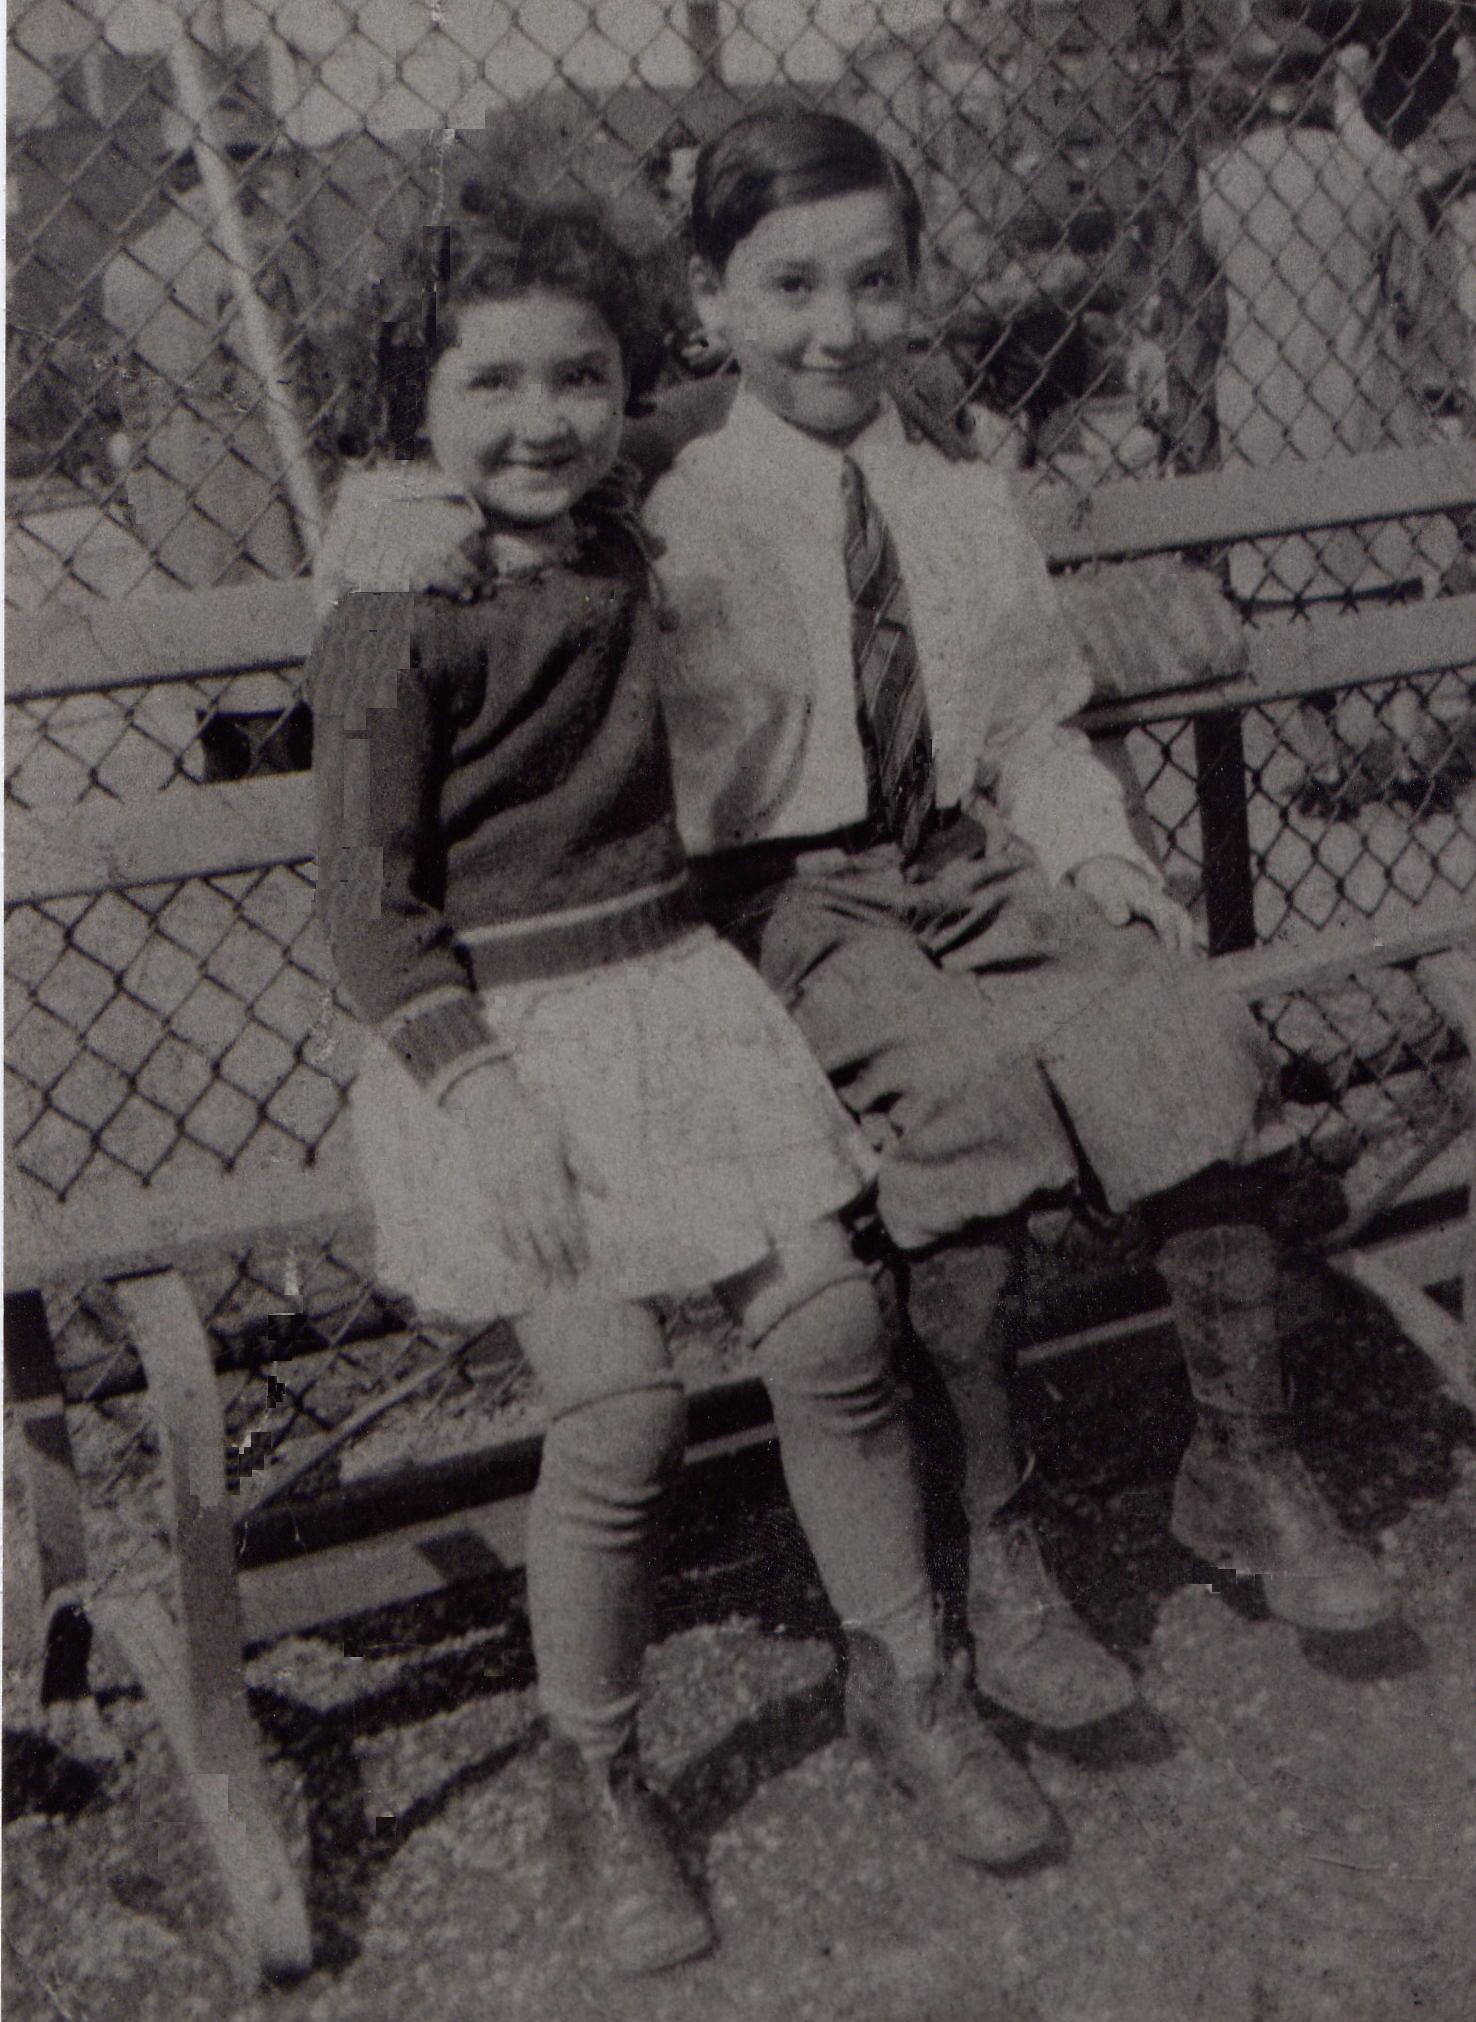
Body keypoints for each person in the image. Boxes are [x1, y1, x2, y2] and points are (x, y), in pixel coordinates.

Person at [319, 110, 1398, 1741]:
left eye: (876, 281)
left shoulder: (955, 479)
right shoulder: (655, 473)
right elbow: (468, 496)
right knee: (961, 1095)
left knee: (1182, 1027)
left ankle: (1243, 1464)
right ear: (710, 299)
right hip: (782, 893)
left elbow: (1033, 714)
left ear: (914, 285)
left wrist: (1100, 862)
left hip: (963, 858)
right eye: (790, 286)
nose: (837, 326)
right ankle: (1000, 1543)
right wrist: (384, 517)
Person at [310, 180, 1055, 1978]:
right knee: (621, 1404)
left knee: (828, 1331)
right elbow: (366, 917)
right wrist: (480, 1094)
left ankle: (909, 1676)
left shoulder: (625, 521)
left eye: (579, 380)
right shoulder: (393, 613)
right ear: (411, 403)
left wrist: (937, 402)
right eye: (487, 388)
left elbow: (752, 395)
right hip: (493, 1048)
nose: (540, 421)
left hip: (676, 993)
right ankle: (594, 1767)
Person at [1197, 28, 1466, 816]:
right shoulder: (1373, 170)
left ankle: (1324, 770)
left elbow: (1201, 312)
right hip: (1366, 398)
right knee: (1390, 577)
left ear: (1244, 91)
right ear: (1322, 85)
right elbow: (1419, 300)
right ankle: (1415, 759)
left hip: (1262, 409)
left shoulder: (1217, 181)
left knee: (1285, 591)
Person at [101, 94, 305, 588]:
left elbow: (127, 395)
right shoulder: (246, 256)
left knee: (193, 630)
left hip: (164, 467)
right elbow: (270, 388)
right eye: (244, 159)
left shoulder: (125, 267)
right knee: (273, 623)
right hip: (245, 460)